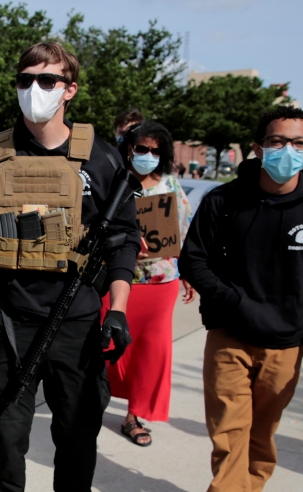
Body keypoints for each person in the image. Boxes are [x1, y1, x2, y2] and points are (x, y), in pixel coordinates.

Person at [0, 42, 140, 492]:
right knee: (7, 442)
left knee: (77, 444)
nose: (35, 90)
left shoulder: (102, 158)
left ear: (70, 89)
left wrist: (118, 310)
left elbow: (124, 243)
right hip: (12, 321)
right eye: (26, 79)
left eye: (49, 80)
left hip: (78, 322)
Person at [174, 106, 303, 492]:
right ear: (258, 147)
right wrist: (232, 300)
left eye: (298, 143)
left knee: (262, 434)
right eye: (278, 142)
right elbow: (193, 259)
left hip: (287, 342)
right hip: (230, 337)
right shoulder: (223, 200)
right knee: (230, 434)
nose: (288, 151)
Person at [101, 121, 194, 447]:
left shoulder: (170, 184)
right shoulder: (115, 182)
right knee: (106, 348)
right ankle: (97, 398)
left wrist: (188, 272)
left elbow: (184, 230)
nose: (148, 155)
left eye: (156, 150)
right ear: (129, 148)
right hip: (117, 279)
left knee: (150, 352)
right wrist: (124, 238)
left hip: (159, 283)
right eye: (142, 149)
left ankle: (134, 415)